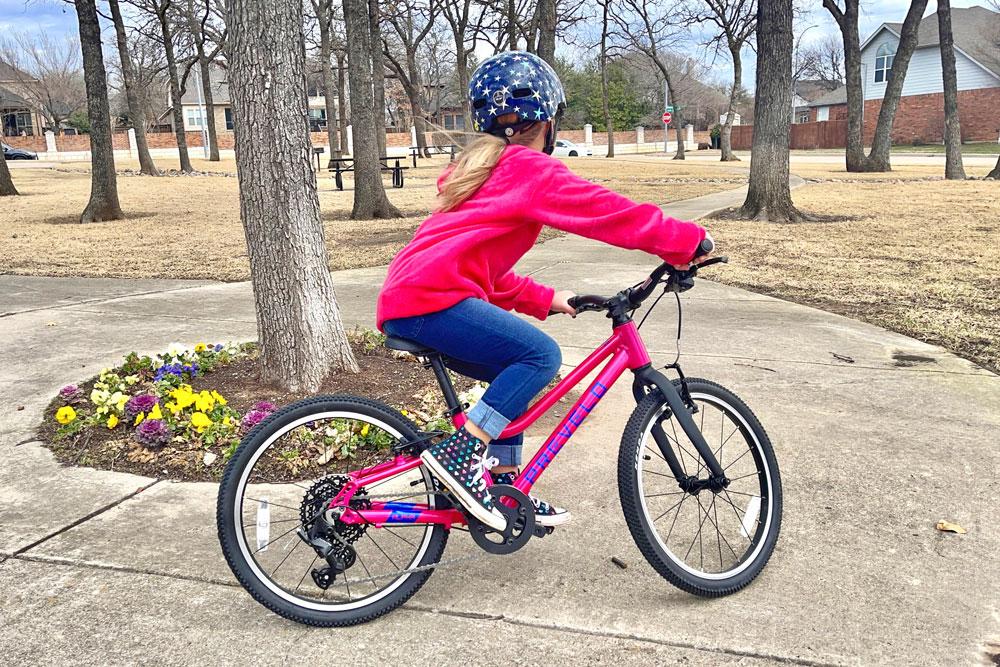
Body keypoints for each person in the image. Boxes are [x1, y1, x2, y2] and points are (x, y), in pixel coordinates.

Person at [376, 51, 711, 531]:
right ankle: (462, 455)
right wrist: (686, 241)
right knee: (540, 357)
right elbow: (608, 213)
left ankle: (502, 489)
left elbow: (477, 267)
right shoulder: (528, 170)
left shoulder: (484, 171)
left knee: (509, 373)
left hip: (418, 296)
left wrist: (545, 299)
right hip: (430, 299)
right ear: (548, 120)